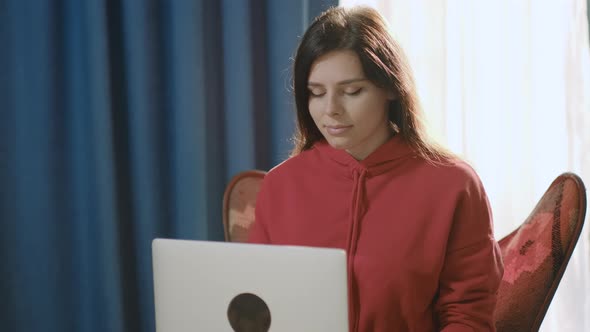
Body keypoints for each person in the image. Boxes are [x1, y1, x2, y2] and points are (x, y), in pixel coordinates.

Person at [248, 5, 504, 332]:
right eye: (316, 93)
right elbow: (258, 308)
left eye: (352, 91)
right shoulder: (280, 185)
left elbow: (469, 315)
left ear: (391, 88)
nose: (330, 110)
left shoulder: (453, 185)